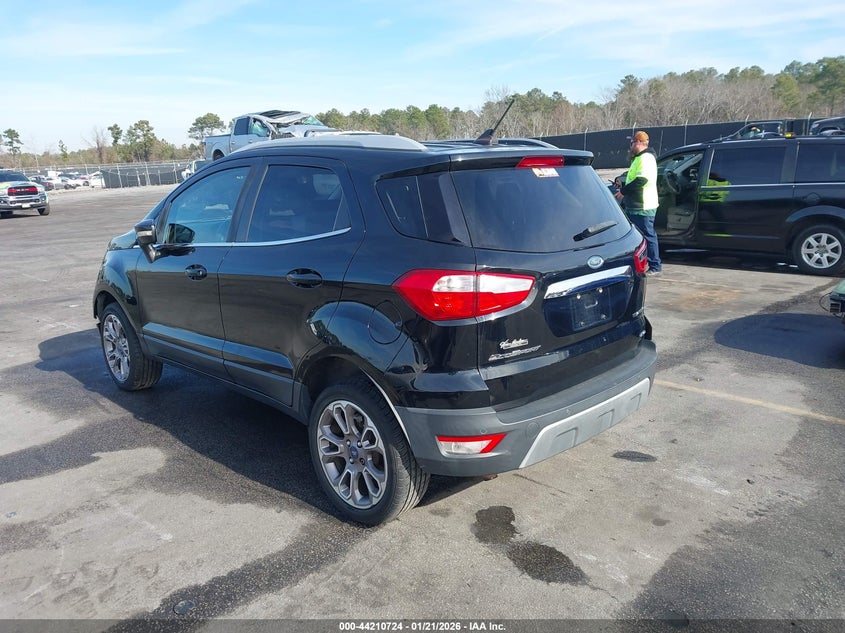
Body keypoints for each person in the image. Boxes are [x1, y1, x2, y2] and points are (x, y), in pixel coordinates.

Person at [615, 130, 662, 275]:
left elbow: (642, 180)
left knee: (647, 235)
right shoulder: (640, 158)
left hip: (642, 205)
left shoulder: (645, 158)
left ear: (639, 143)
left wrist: (623, 192)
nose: (630, 146)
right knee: (641, 236)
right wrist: (622, 184)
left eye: (632, 142)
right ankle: (645, 263)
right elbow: (635, 178)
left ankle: (655, 265)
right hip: (636, 203)